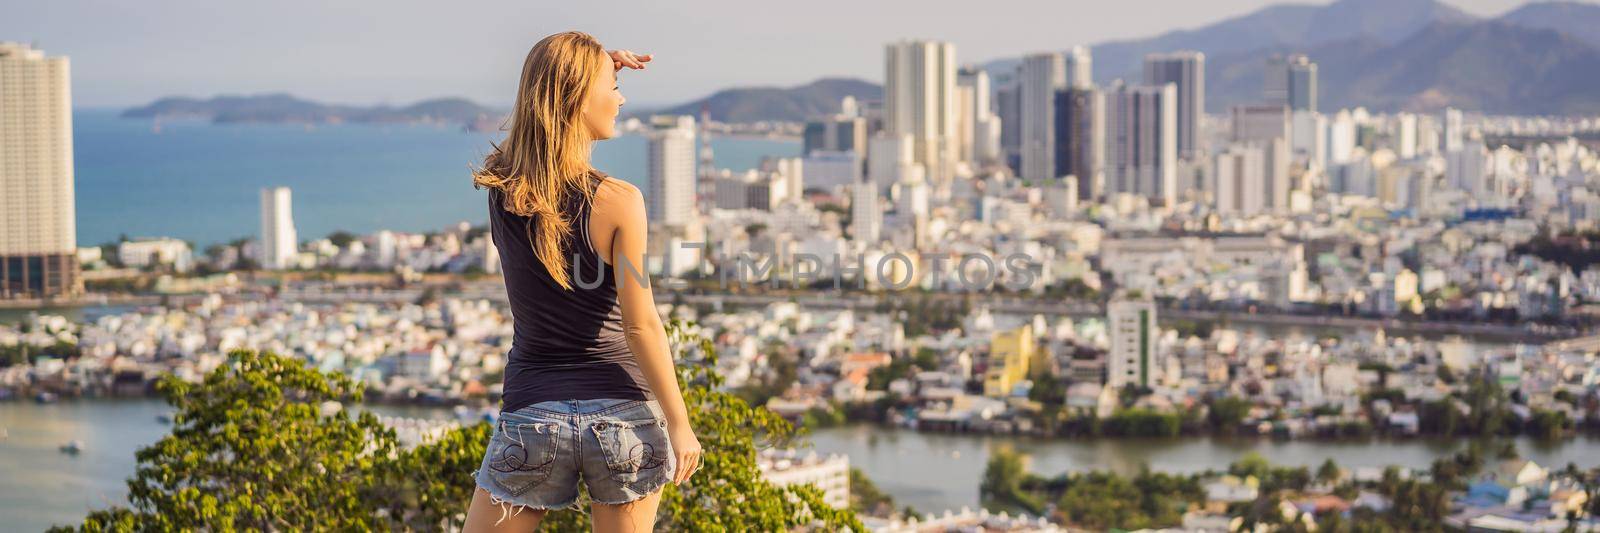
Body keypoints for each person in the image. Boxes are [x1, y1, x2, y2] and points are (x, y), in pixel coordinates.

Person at [462, 31, 701, 532]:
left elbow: (536, 121)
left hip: (533, 415)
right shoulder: (620, 201)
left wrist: (590, 69)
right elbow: (642, 328)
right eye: (611, 87)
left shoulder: (505, 189)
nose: (621, 97)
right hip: (625, 419)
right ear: (575, 98)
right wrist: (680, 425)